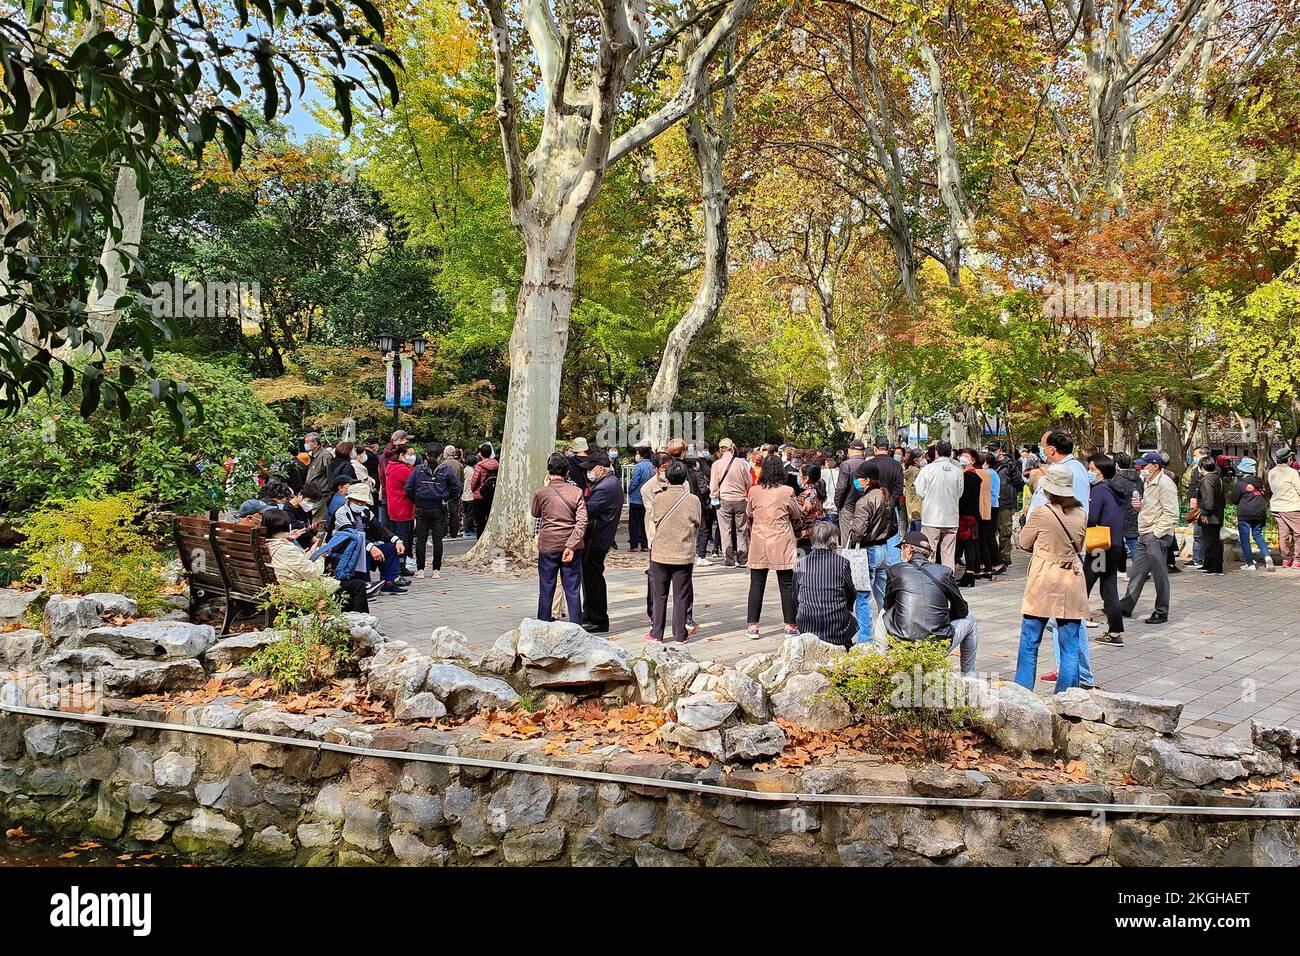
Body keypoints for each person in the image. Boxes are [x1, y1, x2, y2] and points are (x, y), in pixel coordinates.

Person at [1014, 464, 1088, 693]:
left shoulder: (1042, 513)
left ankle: (1022, 694)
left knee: (1029, 642)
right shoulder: (1081, 513)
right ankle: (1066, 697)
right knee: (1070, 645)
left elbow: (1023, 542)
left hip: (1044, 578)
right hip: (1072, 578)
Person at [878, 531, 978, 675]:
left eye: (902, 549)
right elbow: (962, 611)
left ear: (909, 549)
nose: (902, 552)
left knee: (883, 612)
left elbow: (887, 606)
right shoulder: (944, 572)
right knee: (970, 621)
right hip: (938, 645)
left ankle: (882, 663)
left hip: (903, 644)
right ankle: (969, 676)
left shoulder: (895, 570)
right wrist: (942, 617)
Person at [263, 507, 369, 612]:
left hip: (291, 586)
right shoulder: (285, 549)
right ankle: (361, 624)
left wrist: (312, 552)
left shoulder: (270, 544)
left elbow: (298, 564)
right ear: (285, 525)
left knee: (349, 585)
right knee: (358, 586)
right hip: (301, 592)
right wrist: (320, 555)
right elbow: (313, 573)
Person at [744, 454, 802, 638]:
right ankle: (790, 626)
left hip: (760, 539)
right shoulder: (787, 491)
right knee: (786, 584)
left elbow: (749, 512)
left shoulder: (754, 491)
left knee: (756, 583)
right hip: (781, 539)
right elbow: (796, 513)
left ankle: (753, 626)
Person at [644, 461, 701, 643]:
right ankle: (679, 634)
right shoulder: (693, 500)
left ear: (667, 477)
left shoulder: (659, 498)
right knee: (681, 595)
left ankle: (656, 633)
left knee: (659, 594)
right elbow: (697, 521)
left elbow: (653, 517)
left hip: (660, 552)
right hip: (682, 553)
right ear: (685, 478)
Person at [316, 481, 407, 596]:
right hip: (344, 548)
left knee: (391, 548)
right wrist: (371, 547)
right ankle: (365, 585)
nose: (359, 504)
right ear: (350, 499)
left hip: (364, 545)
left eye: (362, 501)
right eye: (356, 501)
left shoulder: (366, 512)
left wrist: (396, 540)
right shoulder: (341, 513)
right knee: (362, 549)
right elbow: (351, 534)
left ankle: (389, 582)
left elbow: (380, 529)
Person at [1120, 452, 1178, 624]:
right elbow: (1153, 507)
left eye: (1144, 465)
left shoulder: (1165, 484)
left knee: (1159, 575)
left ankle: (1161, 611)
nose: (1141, 468)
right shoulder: (1148, 481)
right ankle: (1125, 606)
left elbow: (1172, 513)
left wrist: (1157, 533)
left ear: (1155, 466)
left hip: (1156, 535)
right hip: (1145, 533)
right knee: (1137, 572)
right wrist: (1140, 506)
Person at [531, 453, 587, 623]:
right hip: (571, 545)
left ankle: (542, 623)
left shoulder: (541, 492)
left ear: (549, 471)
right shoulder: (576, 491)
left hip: (548, 544)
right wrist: (571, 545)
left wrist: (544, 487)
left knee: (546, 587)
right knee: (572, 589)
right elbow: (582, 520)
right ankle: (576, 625)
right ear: (567, 472)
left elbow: (535, 513)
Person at [847, 459, 894, 645]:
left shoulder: (865, 500)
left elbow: (858, 530)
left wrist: (853, 532)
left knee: (863, 597)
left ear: (867, 480)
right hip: (884, 550)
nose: (857, 481)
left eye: (859, 478)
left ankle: (865, 638)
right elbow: (894, 526)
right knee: (883, 597)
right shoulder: (885, 496)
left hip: (868, 552)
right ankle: (889, 633)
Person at [794, 522, 857, 648]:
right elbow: (850, 592)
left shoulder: (800, 564)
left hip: (807, 625)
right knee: (853, 622)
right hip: (836, 627)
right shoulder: (842, 563)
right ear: (832, 541)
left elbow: (795, 596)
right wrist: (848, 607)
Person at [1086, 455, 1127, 646]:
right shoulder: (1116, 490)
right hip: (1114, 544)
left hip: (1099, 547)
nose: (1089, 471)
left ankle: (1072, 620)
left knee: (1083, 584)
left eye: (1092, 469)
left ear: (1101, 471)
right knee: (1109, 588)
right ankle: (1115, 630)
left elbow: (1092, 517)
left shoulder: (1099, 490)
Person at [580, 452, 623, 633]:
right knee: (591, 577)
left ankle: (597, 618)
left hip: (597, 539)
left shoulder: (606, 487)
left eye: (591, 468)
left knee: (593, 578)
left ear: (600, 468)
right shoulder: (607, 483)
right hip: (599, 537)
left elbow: (587, 510)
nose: (588, 472)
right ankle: (590, 614)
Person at [407, 443, 462, 579]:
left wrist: (416, 499)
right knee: (438, 539)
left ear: (426, 454)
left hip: (421, 507)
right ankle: (436, 570)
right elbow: (457, 487)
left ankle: (420, 569)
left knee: (421, 539)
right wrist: (447, 497)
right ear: (440, 455)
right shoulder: (446, 470)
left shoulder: (418, 469)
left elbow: (408, 488)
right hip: (438, 507)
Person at [914, 440, 963, 571]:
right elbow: (960, 492)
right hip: (951, 516)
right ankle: (948, 579)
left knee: (929, 550)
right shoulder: (958, 471)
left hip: (932, 517)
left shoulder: (928, 469)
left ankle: (929, 578)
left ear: (936, 451)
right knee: (948, 552)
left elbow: (919, 490)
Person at [710, 437, 752, 567]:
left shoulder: (716, 464)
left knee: (725, 530)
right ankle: (743, 559)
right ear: (732, 448)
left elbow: (713, 485)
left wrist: (714, 496)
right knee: (741, 530)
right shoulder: (740, 463)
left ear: (721, 449)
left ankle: (729, 560)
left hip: (724, 500)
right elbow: (749, 482)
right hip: (740, 500)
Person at [1229, 458, 1272, 571]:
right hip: (1260, 513)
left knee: (1244, 538)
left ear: (1243, 471)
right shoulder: (1260, 482)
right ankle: (1267, 557)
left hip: (1245, 514)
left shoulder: (1241, 484)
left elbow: (1234, 499)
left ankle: (1250, 563)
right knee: (1258, 535)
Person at [1191, 455, 1225, 575]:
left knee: (1211, 542)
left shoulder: (1207, 480)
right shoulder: (1217, 478)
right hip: (1217, 514)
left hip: (1211, 516)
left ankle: (1214, 567)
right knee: (1210, 541)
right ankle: (1208, 564)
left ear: (1202, 468)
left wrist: (1204, 513)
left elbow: (1208, 500)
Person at [384, 442, 416, 565]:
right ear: (401, 455)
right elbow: (413, 484)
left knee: (397, 535)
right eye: (410, 454)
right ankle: (400, 565)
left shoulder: (392, 467)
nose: (413, 457)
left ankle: (398, 563)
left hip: (395, 507)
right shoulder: (402, 470)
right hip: (403, 507)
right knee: (403, 538)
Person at [1267, 445, 1300, 568]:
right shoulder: (1292, 472)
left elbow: (1272, 488)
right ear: (1289, 460)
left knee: (1283, 533)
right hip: (1291, 506)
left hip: (1276, 506)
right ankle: (1297, 559)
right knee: (1299, 533)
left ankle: (1286, 559)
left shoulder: (1272, 472)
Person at [1181, 444, 1211, 567]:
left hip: (1205, 507)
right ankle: (1197, 558)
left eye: (1196, 455)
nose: (1194, 458)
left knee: (1204, 534)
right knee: (1197, 534)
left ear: (1203, 455)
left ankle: (1202, 559)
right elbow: (1192, 486)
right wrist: (1191, 498)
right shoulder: (1195, 470)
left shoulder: (1211, 471)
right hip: (1197, 505)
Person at [835, 438, 867, 545]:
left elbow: (841, 487)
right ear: (863, 451)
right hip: (865, 507)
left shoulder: (846, 465)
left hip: (848, 507)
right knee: (862, 540)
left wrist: (838, 504)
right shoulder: (869, 465)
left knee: (846, 542)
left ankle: (848, 561)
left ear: (849, 450)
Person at [1111, 451, 1141, 562]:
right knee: (1133, 542)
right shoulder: (1137, 478)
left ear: (1116, 465)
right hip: (1135, 513)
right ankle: (1141, 568)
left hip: (1120, 516)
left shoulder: (1115, 480)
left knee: (1120, 543)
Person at [627, 444, 654, 553]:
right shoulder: (652, 466)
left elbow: (634, 481)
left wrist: (629, 490)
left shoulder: (639, 466)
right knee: (645, 523)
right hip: (648, 498)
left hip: (636, 498)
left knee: (633, 523)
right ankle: (645, 545)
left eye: (637, 453)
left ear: (641, 454)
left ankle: (633, 546)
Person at [470, 443, 499, 534]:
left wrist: (474, 490)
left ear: (480, 453)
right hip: (493, 495)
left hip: (480, 496)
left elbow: (474, 482)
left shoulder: (479, 466)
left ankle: (480, 539)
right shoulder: (497, 465)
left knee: (480, 521)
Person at [903, 448, 924, 533]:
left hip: (912, 504)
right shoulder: (916, 471)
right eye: (922, 458)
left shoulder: (910, 469)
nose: (924, 460)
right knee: (916, 529)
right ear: (916, 460)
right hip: (917, 505)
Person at [459, 453, 478, 536]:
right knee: (470, 515)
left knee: (466, 514)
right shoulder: (472, 471)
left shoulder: (465, 469)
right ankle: (468, 530)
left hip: (464, 495)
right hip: (470, 495)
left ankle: (467, 529)